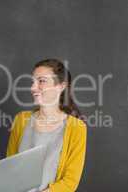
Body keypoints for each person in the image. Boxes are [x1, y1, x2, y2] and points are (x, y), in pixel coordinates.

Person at [7, 59, 87, 192]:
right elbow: (9, 168)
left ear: (61, 86)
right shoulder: (21, 120)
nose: (33, 87)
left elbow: (70, 181)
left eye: (41, 81)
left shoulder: (77, 128)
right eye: (33, 81)